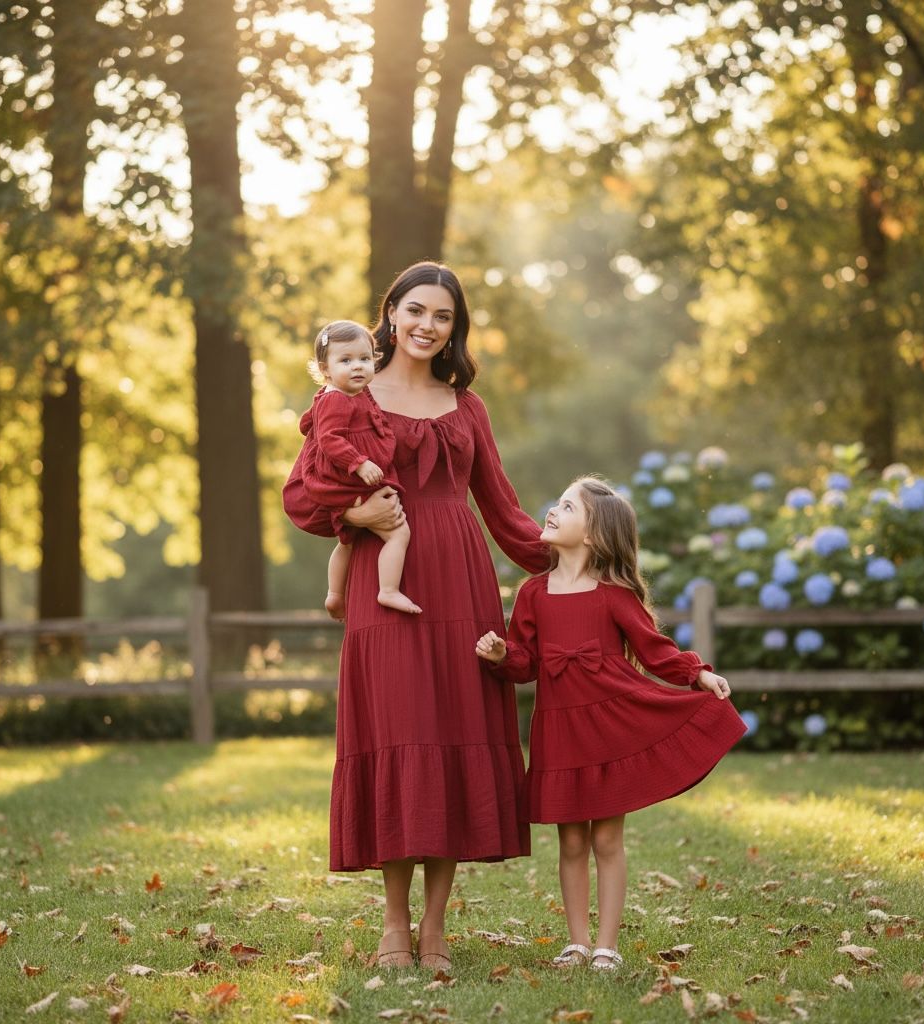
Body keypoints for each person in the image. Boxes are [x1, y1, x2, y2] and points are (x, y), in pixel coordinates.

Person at [282, 262, 550, 972]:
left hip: (460, 581)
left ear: (454, 328)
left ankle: (435, 929)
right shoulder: (346, 395)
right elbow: (300, 493)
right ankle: (393, 925)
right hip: (384, 580)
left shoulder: (467, 407)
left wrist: (572, 563)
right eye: (416, 311)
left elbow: (503, 507)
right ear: (391, 313)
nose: (428, 326)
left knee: (453, 732)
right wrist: (351, 512)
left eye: (444, 317)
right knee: (400, 734)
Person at [475, 476, 747, 972]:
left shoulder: (614, 594)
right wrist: (500, 654)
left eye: (566, 506)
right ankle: (576, 943)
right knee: (571, 841)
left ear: (594, 536)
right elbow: (525, 664)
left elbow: (654, 650)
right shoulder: (534, 593)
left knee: (606, 840)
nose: (552, 511)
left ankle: (606, 946)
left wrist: (698, 673)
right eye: (555, 503)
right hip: (558, 730)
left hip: (610, 726)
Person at [299, 319, 420, 618]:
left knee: (347, 540)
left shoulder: (350, 394)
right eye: (346, 360)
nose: (357, 367)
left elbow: (312, 423)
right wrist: (359, 463)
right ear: (325, 369)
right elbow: (329, 439)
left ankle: (334, 594)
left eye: (364, 359)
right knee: (398, 533)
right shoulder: (336, 400)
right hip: (350, 480)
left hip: (350, 480)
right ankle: (388, 590)